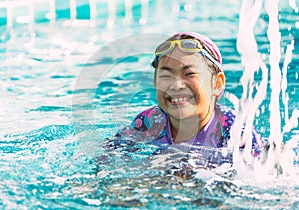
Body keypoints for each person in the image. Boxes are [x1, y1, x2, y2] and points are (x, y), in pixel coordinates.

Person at [103, 32, 264, 168]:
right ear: (155, 82)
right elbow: (110, 153)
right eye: (166, 76)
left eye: (190, 74)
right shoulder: (150, 121)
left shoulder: (233, 127)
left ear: (217, 83)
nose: (176, 85)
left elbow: (259, 174)